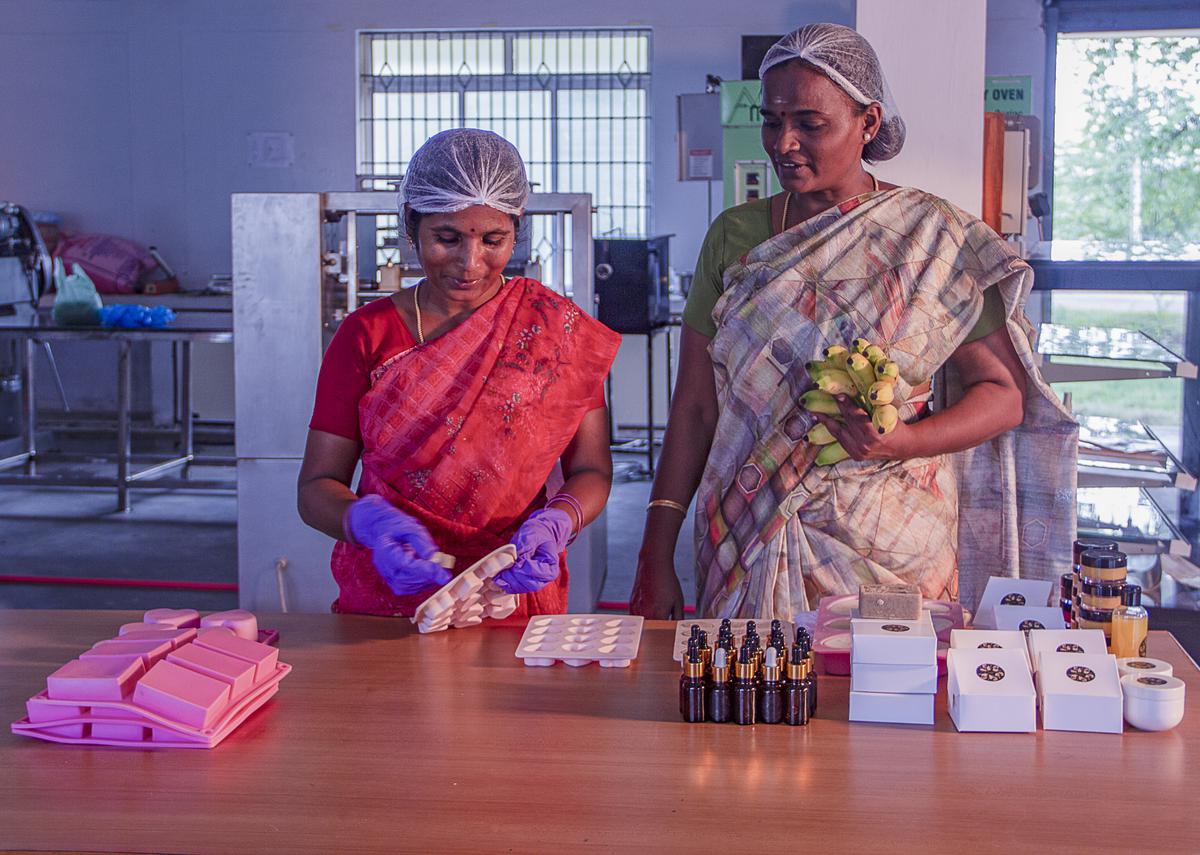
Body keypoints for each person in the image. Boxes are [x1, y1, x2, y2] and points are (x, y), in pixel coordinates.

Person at [630, 24, 1076, 620]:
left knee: (885, 705)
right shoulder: (734, 237)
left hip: (892, 549)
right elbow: (694, 407)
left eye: (810, 125)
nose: (784, 142)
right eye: (771, 121)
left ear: (868, 123)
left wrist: (902, 440)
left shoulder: (930, 238)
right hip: (746, 535)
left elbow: (1003, 397)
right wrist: (655, 549)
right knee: (749, 702)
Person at [298, 129, 620, 617]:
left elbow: (592, 470)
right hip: (388, 594)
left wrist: (559, 520)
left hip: (510, 591)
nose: (470, 264)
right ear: (412, 226)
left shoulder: (554, 332)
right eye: (446, 238)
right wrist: (366, 523)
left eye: (493, 240)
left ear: (517, 228)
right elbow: (317, 485)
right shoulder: (368, 335)